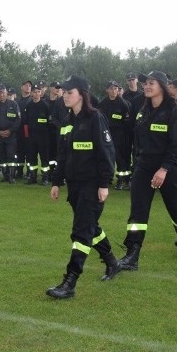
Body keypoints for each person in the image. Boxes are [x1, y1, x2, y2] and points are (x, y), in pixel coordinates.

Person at [46, 75, 120, 299]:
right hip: (74, 186)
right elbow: (62, 154)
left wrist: (104, 183)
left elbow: (107, 153)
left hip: (92, 184)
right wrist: (57, 181)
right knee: (90, 227)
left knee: (80, 232)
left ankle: (70, 281)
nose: (65, 96)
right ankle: (112, 262)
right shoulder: (67, 121)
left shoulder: (96, 118)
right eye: (64, 92)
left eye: (69, 92)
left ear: (82, 95)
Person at [118, 70, 177, 269]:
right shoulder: (143, 111)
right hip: (144, 167)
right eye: (145, 83)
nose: (146, 86)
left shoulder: (175, 111)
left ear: (162, 86)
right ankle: (132, 255)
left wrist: (163, 170)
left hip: (168, 169)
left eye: (151, 83)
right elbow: (137, 139)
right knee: (138, 212)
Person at [0, 84, 22, 184]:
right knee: (2, 156)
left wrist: (10, 131)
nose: (1, 94)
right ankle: (5, 176)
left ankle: (12, 177)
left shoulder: (13, 104)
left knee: (11, 156)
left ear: (6, 93)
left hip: (11, 135)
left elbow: (18, 120)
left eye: (3, 92)